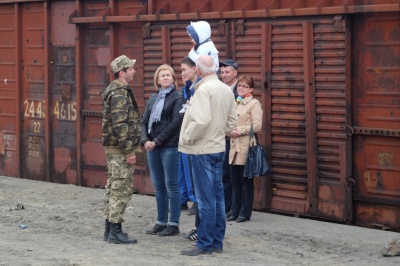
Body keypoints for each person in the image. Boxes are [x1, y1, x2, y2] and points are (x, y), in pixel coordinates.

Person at [179, 55, 237, 256]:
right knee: (218, 198)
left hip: (202, 150)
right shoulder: (226, 89)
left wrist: (186, 138)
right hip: (218, 148)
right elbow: (231, 123)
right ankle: (216, 242)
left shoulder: (203, 90)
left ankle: (204, 243)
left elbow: (201, 121)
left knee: (205, 200)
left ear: (198, 69)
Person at [101, 55, 141, 244]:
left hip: (116, 149)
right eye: (131, 68)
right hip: (119, 150)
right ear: (122, 72)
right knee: (120, 189)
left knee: (113, 186)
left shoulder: (119, 90)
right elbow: (120, 124)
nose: (135, 71)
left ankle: (110, 230)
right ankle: (115, 231)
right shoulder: (119, 93)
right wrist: (128, 151)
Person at [141, 64, 184, 237]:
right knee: (158, 187)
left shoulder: (177, 97)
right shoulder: (153, 98)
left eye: (168, 75)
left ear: (173, 78)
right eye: (162, 75)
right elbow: (143, 121)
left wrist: (157, 141)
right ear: (157, 80)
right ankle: (161, 222)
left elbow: (176, 122)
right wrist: (145, 140)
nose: (165, 78)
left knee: (171, 185)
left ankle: (173, 224)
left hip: (169, 147)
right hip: (152, 147)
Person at [226, 75, 263, 223]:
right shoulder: (235, 103)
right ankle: (235, 210)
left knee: (245, 181)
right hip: (234, 146)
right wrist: (229, 131)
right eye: (239, 85)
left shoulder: (254, 104)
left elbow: (258, 126)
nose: (240, 88)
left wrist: (239, 130)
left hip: (246, 147)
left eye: (244, 86)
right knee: (234, 181)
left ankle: (245, 212)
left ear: (251, 89)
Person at [179, 57, 200, 217]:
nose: (182, 73)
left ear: (194, 69)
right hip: (185, 132)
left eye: (184, 69)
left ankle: (197, 201)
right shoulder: (187, 88)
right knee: (186, 168)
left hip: (196, 134)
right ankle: (185, 198)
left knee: (195, 169)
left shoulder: (200, 87)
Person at [219, 59, 239, 217]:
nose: (224, 75)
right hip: (223, 137)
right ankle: (226, 206)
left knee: (235, 174)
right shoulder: (220, 89)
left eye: (227, 72)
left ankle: (235, 207)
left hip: (236, 137)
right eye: (222, 72)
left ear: (235, 73)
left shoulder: (240, 90)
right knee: (225, 173)